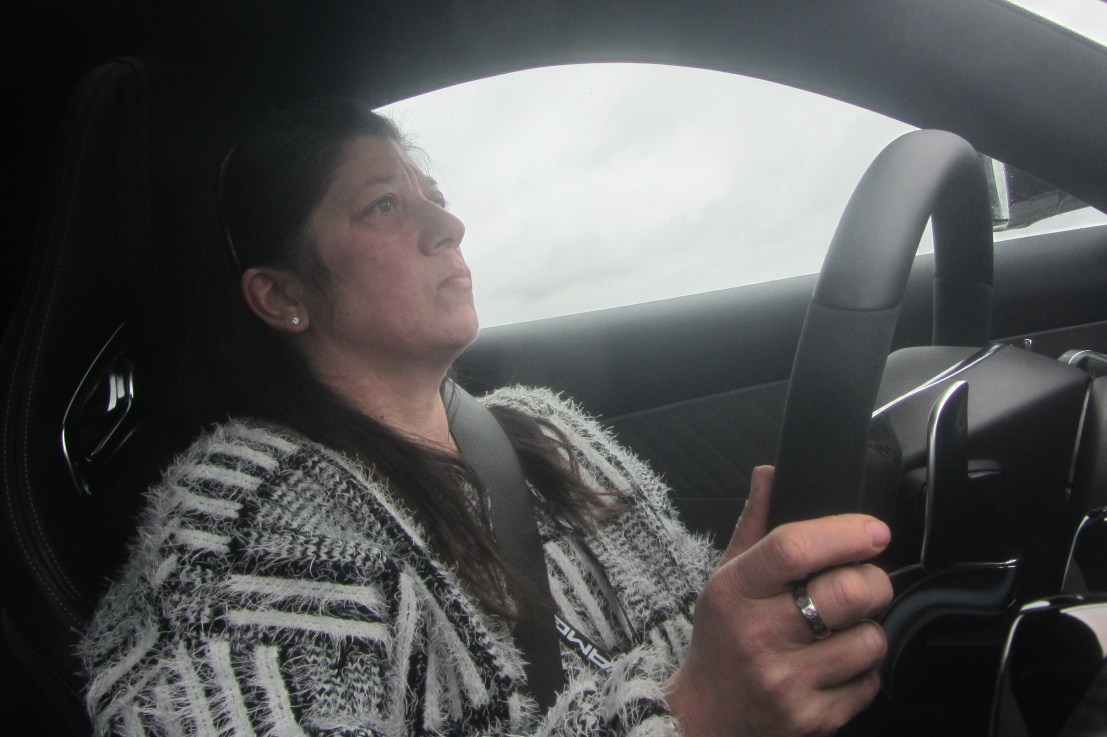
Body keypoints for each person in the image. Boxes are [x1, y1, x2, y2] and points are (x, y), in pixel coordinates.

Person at [80, 99, 893, 737]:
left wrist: (743, 617)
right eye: (385, 205)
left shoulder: (543, 429)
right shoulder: (247, 519)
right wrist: (693, 717)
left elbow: (687, 644)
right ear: (282, 294)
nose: (449, 225)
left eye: (435, 197)